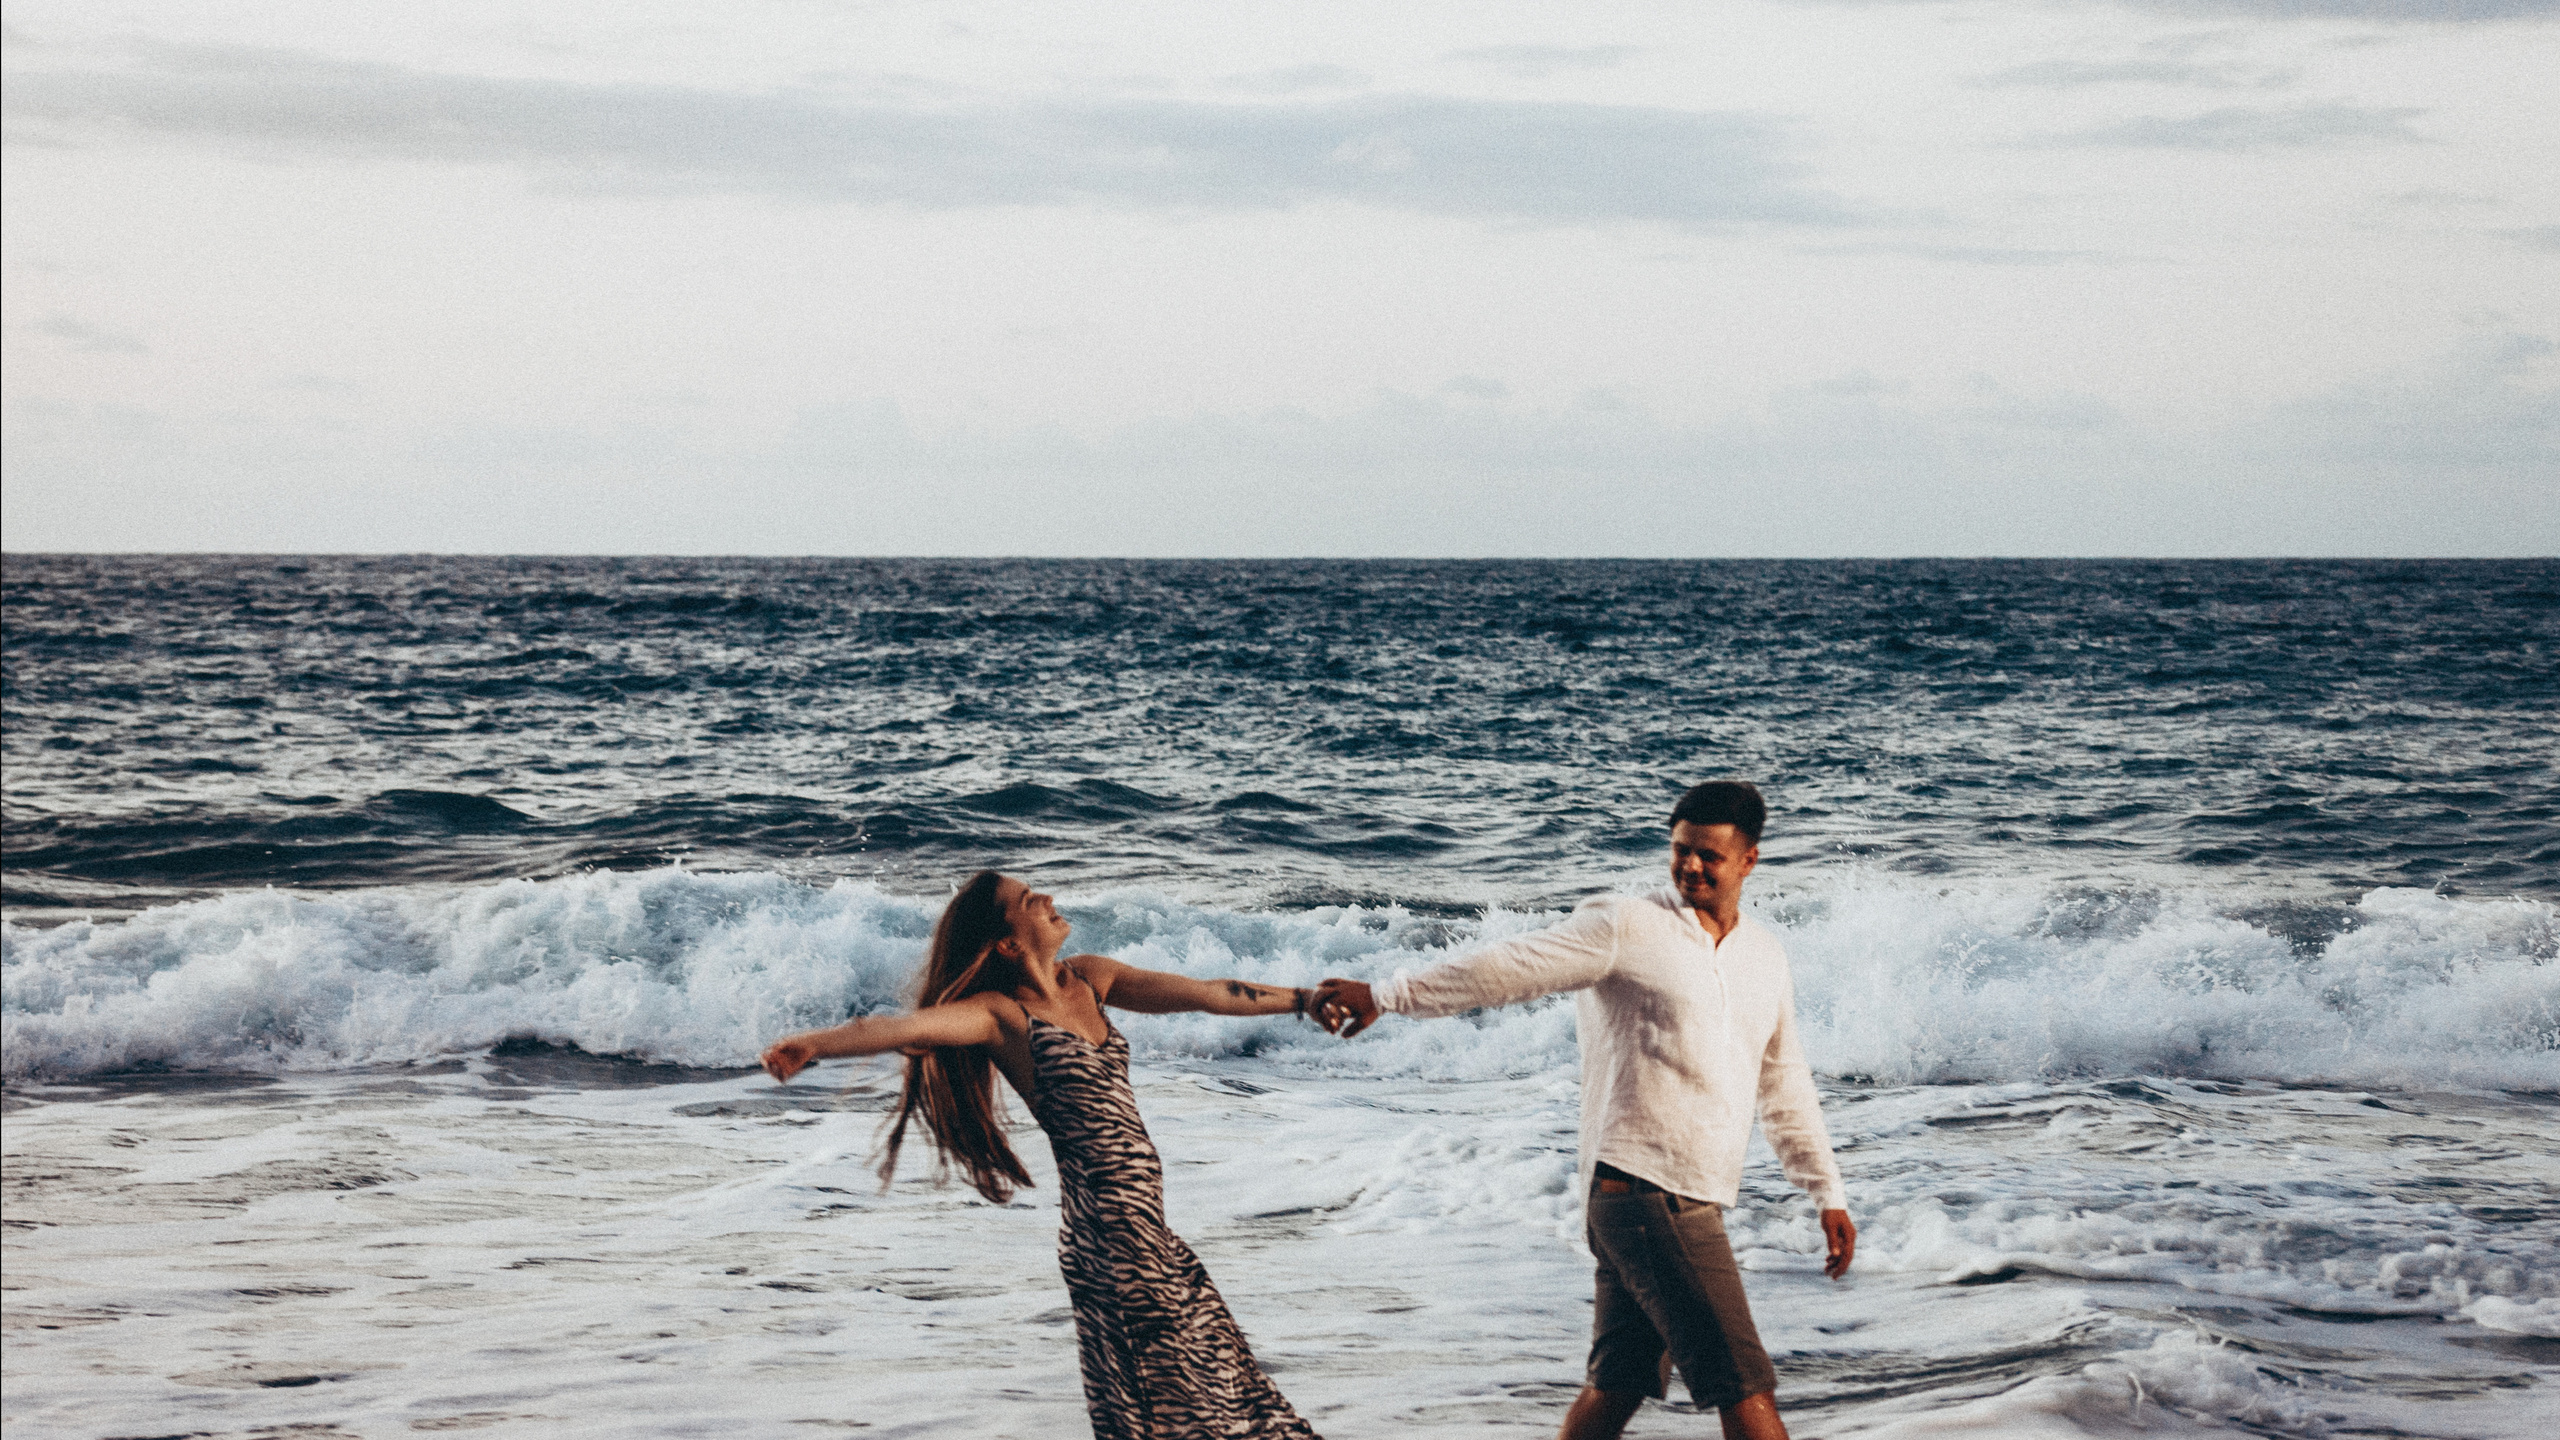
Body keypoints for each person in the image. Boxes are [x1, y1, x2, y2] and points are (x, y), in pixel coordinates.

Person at [1310, 782, 1854, 1440]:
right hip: (1645, 1192)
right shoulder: (1626, 925)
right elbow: (1507, 967)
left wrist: (1825, 1187)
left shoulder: (1764, 956)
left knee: (1617, 1387)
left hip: (1682, 1199)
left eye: (1709, 856)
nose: (1690, 867)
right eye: (1681, 851)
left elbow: (1783, 1078)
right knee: (1745, 1389)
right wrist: (1388, 994)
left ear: (1749, 861)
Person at [760, 870, 1327, 1440]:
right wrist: (815, 1045)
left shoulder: (1091, 978)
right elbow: (900, 1027)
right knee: (1188, 1404)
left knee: (1218, 1390)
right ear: (1008, 943)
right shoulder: (999, 1016)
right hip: (1110, 1237)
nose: (1049, 898)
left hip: (1143, 1229)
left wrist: (1304, 999)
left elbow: (1212, 992)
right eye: (1030, 901)